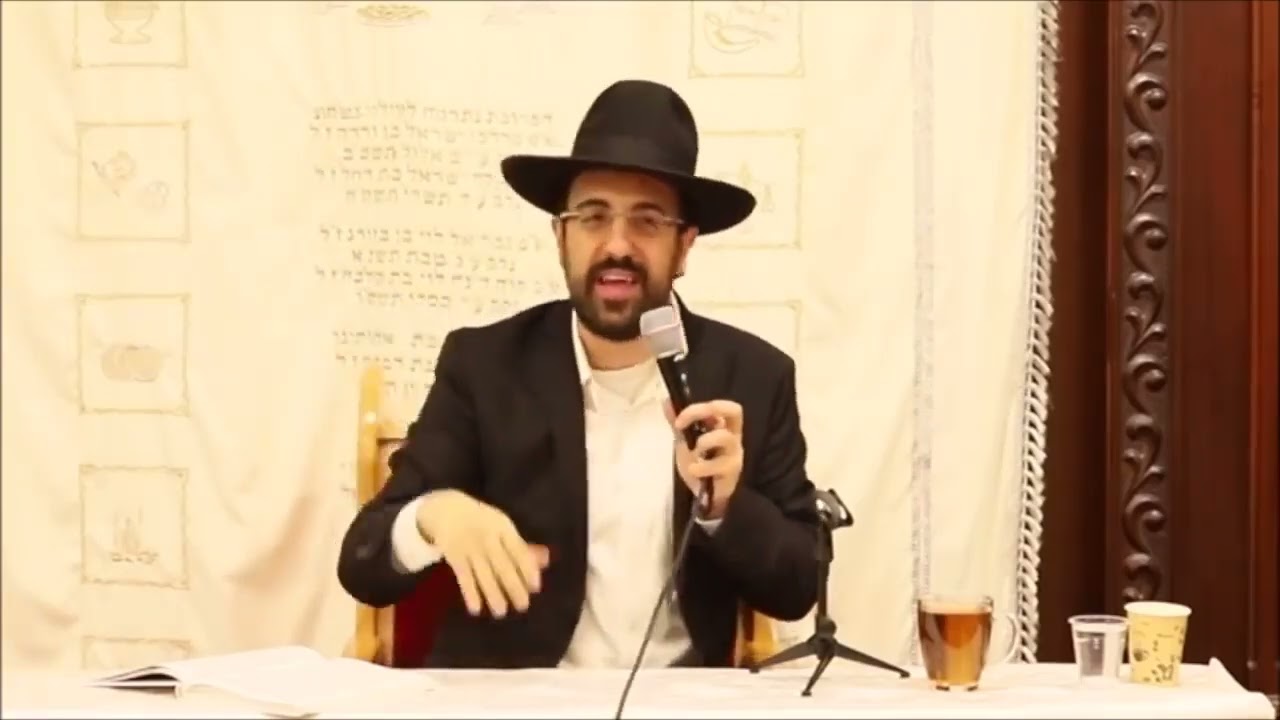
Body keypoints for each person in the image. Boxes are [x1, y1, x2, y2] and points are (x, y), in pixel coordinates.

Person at [337, 79, 820, 669]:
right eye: (593, 217)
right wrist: (434, 514)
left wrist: (725, 507)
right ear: (560, 236)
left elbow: (797, 590)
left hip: (677, 700)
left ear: (685, 246)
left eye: (647, 221)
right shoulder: (484, 365)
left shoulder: (753, 376)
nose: (617, 245)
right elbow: (362, 566)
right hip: (515, 699)